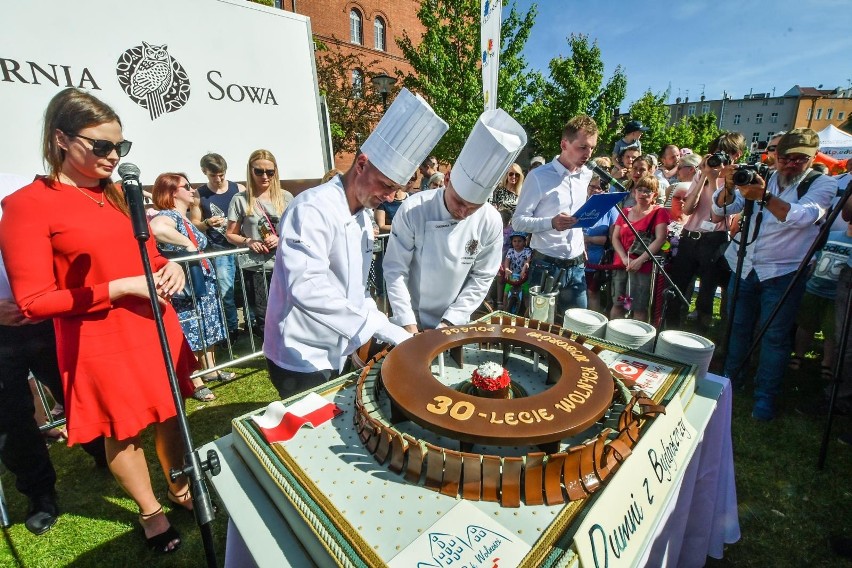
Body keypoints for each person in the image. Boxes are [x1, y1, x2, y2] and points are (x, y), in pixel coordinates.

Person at [0, 88, 196, 553]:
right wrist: (122, 287)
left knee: (172, 414)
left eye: (121, 147)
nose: (114, 156)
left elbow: (147, 254)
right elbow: (34, 301)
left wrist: (172, 266)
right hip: (99, 338)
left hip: (154, 326)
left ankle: (180, 485)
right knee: (121, 429)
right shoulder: (28, 204)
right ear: (62, 139)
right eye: (103, 145)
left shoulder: (118, 196)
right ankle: (151, 513)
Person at [263, 88, 447, 398]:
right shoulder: (312, 208)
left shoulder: (363, 217)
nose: (390, 197)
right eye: (386, 185)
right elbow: (306, 287)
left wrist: (390, 329)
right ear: (360, 164)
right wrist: (385, 330)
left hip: (338, 346)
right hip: (299, 352)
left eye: (397, 188)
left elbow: (354, 291)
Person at [713, 128, 836, 421]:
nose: (791, 164)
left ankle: (764, 397)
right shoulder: (761, 176)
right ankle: (730, 381)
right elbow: (723, 209)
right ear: (775, 157)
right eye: (786, 158)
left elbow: (803, 216)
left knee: (775, 338)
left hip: (783, 272)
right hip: (745, 266)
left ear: (812, 158)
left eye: (800, 159)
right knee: (737, 327)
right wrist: (730, 186)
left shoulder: (821, 185)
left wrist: (764, 196)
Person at [384, 109, 525, 332]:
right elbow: (395, 269)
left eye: (472, 207)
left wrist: (449, 322)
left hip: (456, 320)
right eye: (459, 201)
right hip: (412, 314)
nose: (462, 212)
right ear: (448, 179)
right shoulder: (414, 209)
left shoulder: (490, 220)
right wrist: (408, 324)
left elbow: (481, 277)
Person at [150, 173, 235, 401]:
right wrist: (187, 243)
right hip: (186, 286)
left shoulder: (184, 217)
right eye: (185, 186)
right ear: (172, 192)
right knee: (193, 330)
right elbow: (157, 228)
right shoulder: (168, 215)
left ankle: (212, 371)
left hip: (201, 281)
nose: (192, 189)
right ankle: (195, 380)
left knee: (208, 324)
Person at [512, 115, 599, 315]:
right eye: (582, 147)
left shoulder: (586, 175)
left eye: (592, 148)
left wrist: (580, 241)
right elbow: (517, 221)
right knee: (540, 329)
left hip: (576, 265)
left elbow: (576, 216)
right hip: (546, 264)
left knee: (577, 328)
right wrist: (552, 222)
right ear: (564, 144)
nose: (588, 153)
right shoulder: (538, 176)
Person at [666, 133, 745, 328]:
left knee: (706, 294)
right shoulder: (702, 174)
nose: (719, 158)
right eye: (716, 153)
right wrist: (704, 177)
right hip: (690, 235)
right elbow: (687, 209)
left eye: (726, 154)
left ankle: (702, 333)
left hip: (715, 239)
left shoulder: (736, 179)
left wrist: (717, 178)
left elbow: (718, 214)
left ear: (737, 155)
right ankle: (670, 328)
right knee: (677, 287)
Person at [225, 149, 293, 334]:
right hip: (257, 268)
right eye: (259, 171)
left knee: (289, 312)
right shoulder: (240, 199)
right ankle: (271, 356)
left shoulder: (286, 197)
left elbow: (298, 231)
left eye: (270, 172)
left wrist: (280, 239)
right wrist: (248, 241)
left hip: (284, 265)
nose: (265, 176)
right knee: (264, 316)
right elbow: (230, 234)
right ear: (250, 170)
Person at [189, 153, 246, 342]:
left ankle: (253, 323)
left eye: (222, 174)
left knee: (249, 289)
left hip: (242, 245)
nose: (219, 179)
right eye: (214, 175)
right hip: (219, 249)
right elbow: (194, 223)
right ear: (204, 172)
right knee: (225, 291)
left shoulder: (238, 188)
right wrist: (207, 223)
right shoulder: (200, 194)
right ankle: (232, 329)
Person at [789, 221, 852, 380]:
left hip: (835, 296)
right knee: (805, 324)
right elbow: (815, 256)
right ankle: (798, 354)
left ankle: (827, 363)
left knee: (831, 331)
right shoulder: (831, 236)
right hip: (813, 289)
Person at [610, 175, 670, 322]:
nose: (643, 194)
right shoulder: (625, 211)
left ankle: (635, 342)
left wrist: (640, 261)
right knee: (619, 304)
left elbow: (660, 239)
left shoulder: (658, 212)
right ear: (634, 192)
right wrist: (624, 258)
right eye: (640, 190)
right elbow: (615, 237)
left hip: (642, 268)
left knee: (638, 308)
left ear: (655, 194)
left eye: (648, 191)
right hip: (621, 265)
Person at [582, 174, 618, 313]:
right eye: (593, 186)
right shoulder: (578, 203)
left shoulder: (611, 210)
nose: (596, 190)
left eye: (600, 188)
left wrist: (589, 239)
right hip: (575, 259)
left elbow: (613, 239)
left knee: (592, 293)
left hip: (597, 261)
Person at [502, 231, 532, 314]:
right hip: (512, 275)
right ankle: (505, 310)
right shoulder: (510, 251)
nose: (517, 243)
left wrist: (524, 268)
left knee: (526, 295)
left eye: (519, 241)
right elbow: (507, 261)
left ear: (524, 242)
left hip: (523, 276)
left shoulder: (527, 251)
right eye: (514, 241)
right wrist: (507, 269)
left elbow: (527, 261)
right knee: (505, 293)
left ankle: (527, 313)